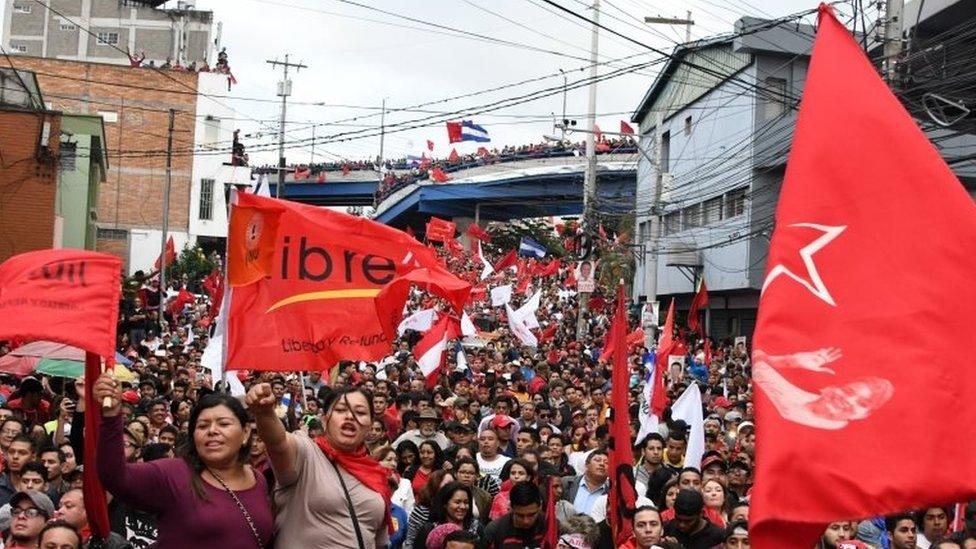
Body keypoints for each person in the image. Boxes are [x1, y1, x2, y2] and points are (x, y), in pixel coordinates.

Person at [95, 374, 274, 548]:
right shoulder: (173, 474)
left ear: (245, 433)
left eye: (224, 424)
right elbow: (114, 475)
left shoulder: (258, 480)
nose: (212, 430)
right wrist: (111, 416)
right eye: (202, 426)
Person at [246, 383, 392, 548]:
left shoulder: (376, 474)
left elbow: (379, 540)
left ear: (370, 425)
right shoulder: (307, 452)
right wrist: (265, 413)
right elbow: (278, 442)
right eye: (341, 410)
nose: (350, 416)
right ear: (324, 420)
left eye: (360, 412)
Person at [53, 489, 130, 548]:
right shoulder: (51, 536)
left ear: (88, 510)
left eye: (68, 506)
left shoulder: (111, 543)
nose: (60, 511)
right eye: (60, 506)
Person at [414, 482, 484, 547]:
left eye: (466, 502)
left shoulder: (477, 528)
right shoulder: (429, 530)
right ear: (445, 504)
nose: (463, 506)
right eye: (457, 502)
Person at [483, 482, 546, 548]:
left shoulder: (548, 524)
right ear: (510, 507)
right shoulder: (495, 530)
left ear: (540, 507)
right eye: (520, 515)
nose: (526, 521)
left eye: (531, 515)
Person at [561, 449, 609, 520]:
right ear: (586, 464)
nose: (602, 464)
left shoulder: (611, 492)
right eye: (597, 460)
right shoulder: (567, 483)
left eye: (606, 462)